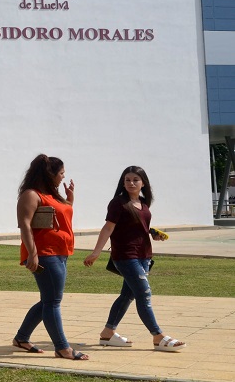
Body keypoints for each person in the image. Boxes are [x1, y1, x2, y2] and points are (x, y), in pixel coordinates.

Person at [83, 166, 187, 352]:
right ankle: (158, 336)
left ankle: (107, 333)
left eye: (135, 180)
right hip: (125, 256)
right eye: (127, 180)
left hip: (144, 255)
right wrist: (96, 252)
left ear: (143, 183)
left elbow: (139, 227)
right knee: (144, 294)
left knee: (127, 295)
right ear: (123, 183)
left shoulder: (144, 203)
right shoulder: (118, 203)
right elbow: (108, 228)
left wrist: (153, 233)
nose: (131, 183)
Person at [13, 154, 88, 360]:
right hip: (45, 254)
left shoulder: (52, 194)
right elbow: (25, 225)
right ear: (49, 174)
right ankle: (62, 348)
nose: (63, 177)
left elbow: (61, 216)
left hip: (60, 252)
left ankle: (21, 338)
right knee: (53, 301)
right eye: (61, 173)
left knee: (48, 300)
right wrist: (33, 254)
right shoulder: (31, 194)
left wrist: (70, 199)